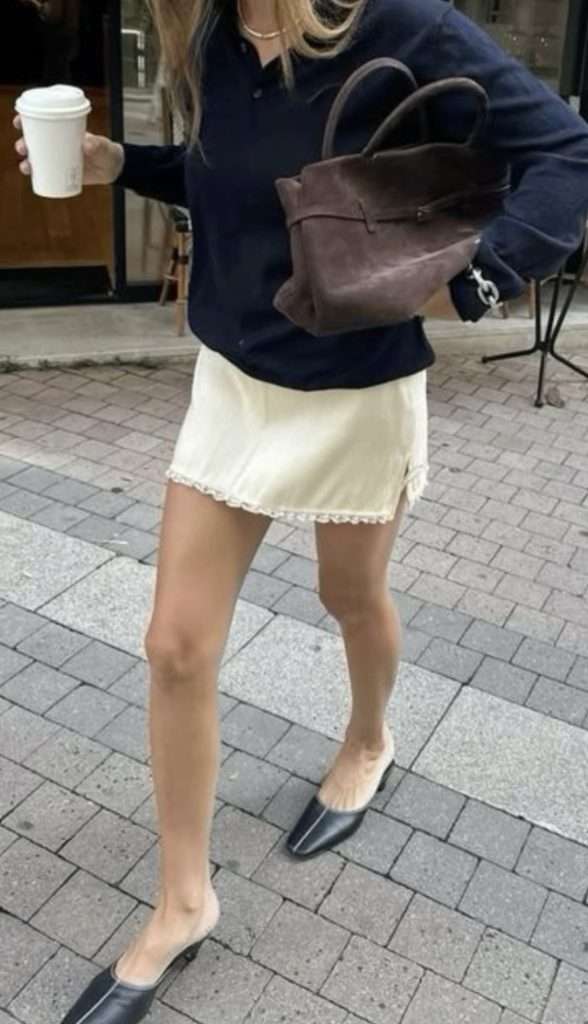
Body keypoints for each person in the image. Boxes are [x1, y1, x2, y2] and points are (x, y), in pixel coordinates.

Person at [14, 0, 588, 1021]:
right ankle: (184, 901)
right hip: (236, 384)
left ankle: (369, 740)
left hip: (356, 389)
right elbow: (233, 181)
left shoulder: (402, 24)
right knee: (175, 646)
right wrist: (120, 164)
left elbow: (564, 149)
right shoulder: (214, 39)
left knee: (347, 595)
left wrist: (475, 279)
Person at [19, 0, 80, 84]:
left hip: (58, 38)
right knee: (62, 77)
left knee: (55, 79)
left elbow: (53, 15)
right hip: (68, 35)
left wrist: (36, 4)